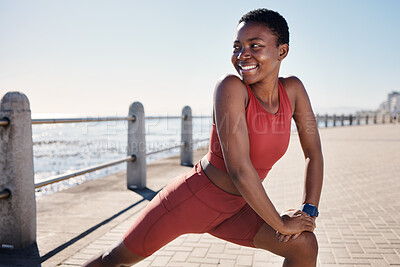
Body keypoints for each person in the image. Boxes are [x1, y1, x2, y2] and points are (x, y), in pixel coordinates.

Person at [84, 8, 323, 267]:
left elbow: (314, 153)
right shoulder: (230, 87)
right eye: (237, 47)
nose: (243, 55)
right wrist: (280, 223)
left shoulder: (294, 90)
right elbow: (240, 169)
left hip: (239, 209)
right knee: (114, 259)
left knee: (304, 245)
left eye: (255, 46)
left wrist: (307, 212)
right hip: (191, 202)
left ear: (282, 51)